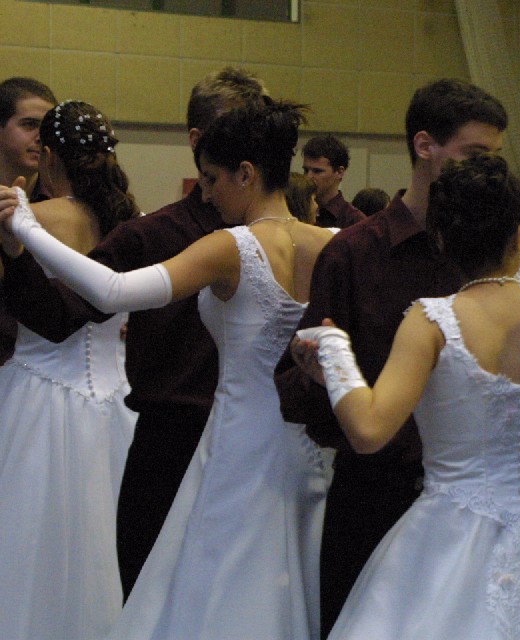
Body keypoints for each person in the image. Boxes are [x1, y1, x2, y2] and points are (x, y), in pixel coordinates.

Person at [0, 99, 334, 639]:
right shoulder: (336, 244)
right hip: (306, 443)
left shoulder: (231, 245)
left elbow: (114, 290)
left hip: (239, 439)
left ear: (246, 174)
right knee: (283, 577)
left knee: (210, 583)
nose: (206, 193)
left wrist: (25, 227)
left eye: (212, 179)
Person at [296, 154, 520, 639]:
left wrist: (334, 349)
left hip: (456, 532)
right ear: (519, 236)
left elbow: (368, 431)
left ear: (443, 240)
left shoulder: (432, 320)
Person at [275, 77, 508, 638]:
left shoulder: (498, 252)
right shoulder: (355, 253)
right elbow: (293, 391)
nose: (486, 173)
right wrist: (323, 376)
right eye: (474, 154)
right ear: (425, 146)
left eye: (494, 159)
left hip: (476, 503)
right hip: (375, 493)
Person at [0, 100, 138, 640]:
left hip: (37, 393)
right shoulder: (130, 224)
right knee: (107, 542)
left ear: (48, 156)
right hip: (117, 400)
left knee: (30, 543)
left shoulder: (31, 217)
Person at [0, 77, 56, 365]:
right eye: (29, 125)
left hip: (41, 359)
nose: (40, 137)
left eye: (47, 129)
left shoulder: (60, 203)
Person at [302, 134, 366, 229]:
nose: (308, 177)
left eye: (317, 171)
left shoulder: (354, 221)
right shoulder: (297, 212)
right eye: (306, 170)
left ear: (339, 172)